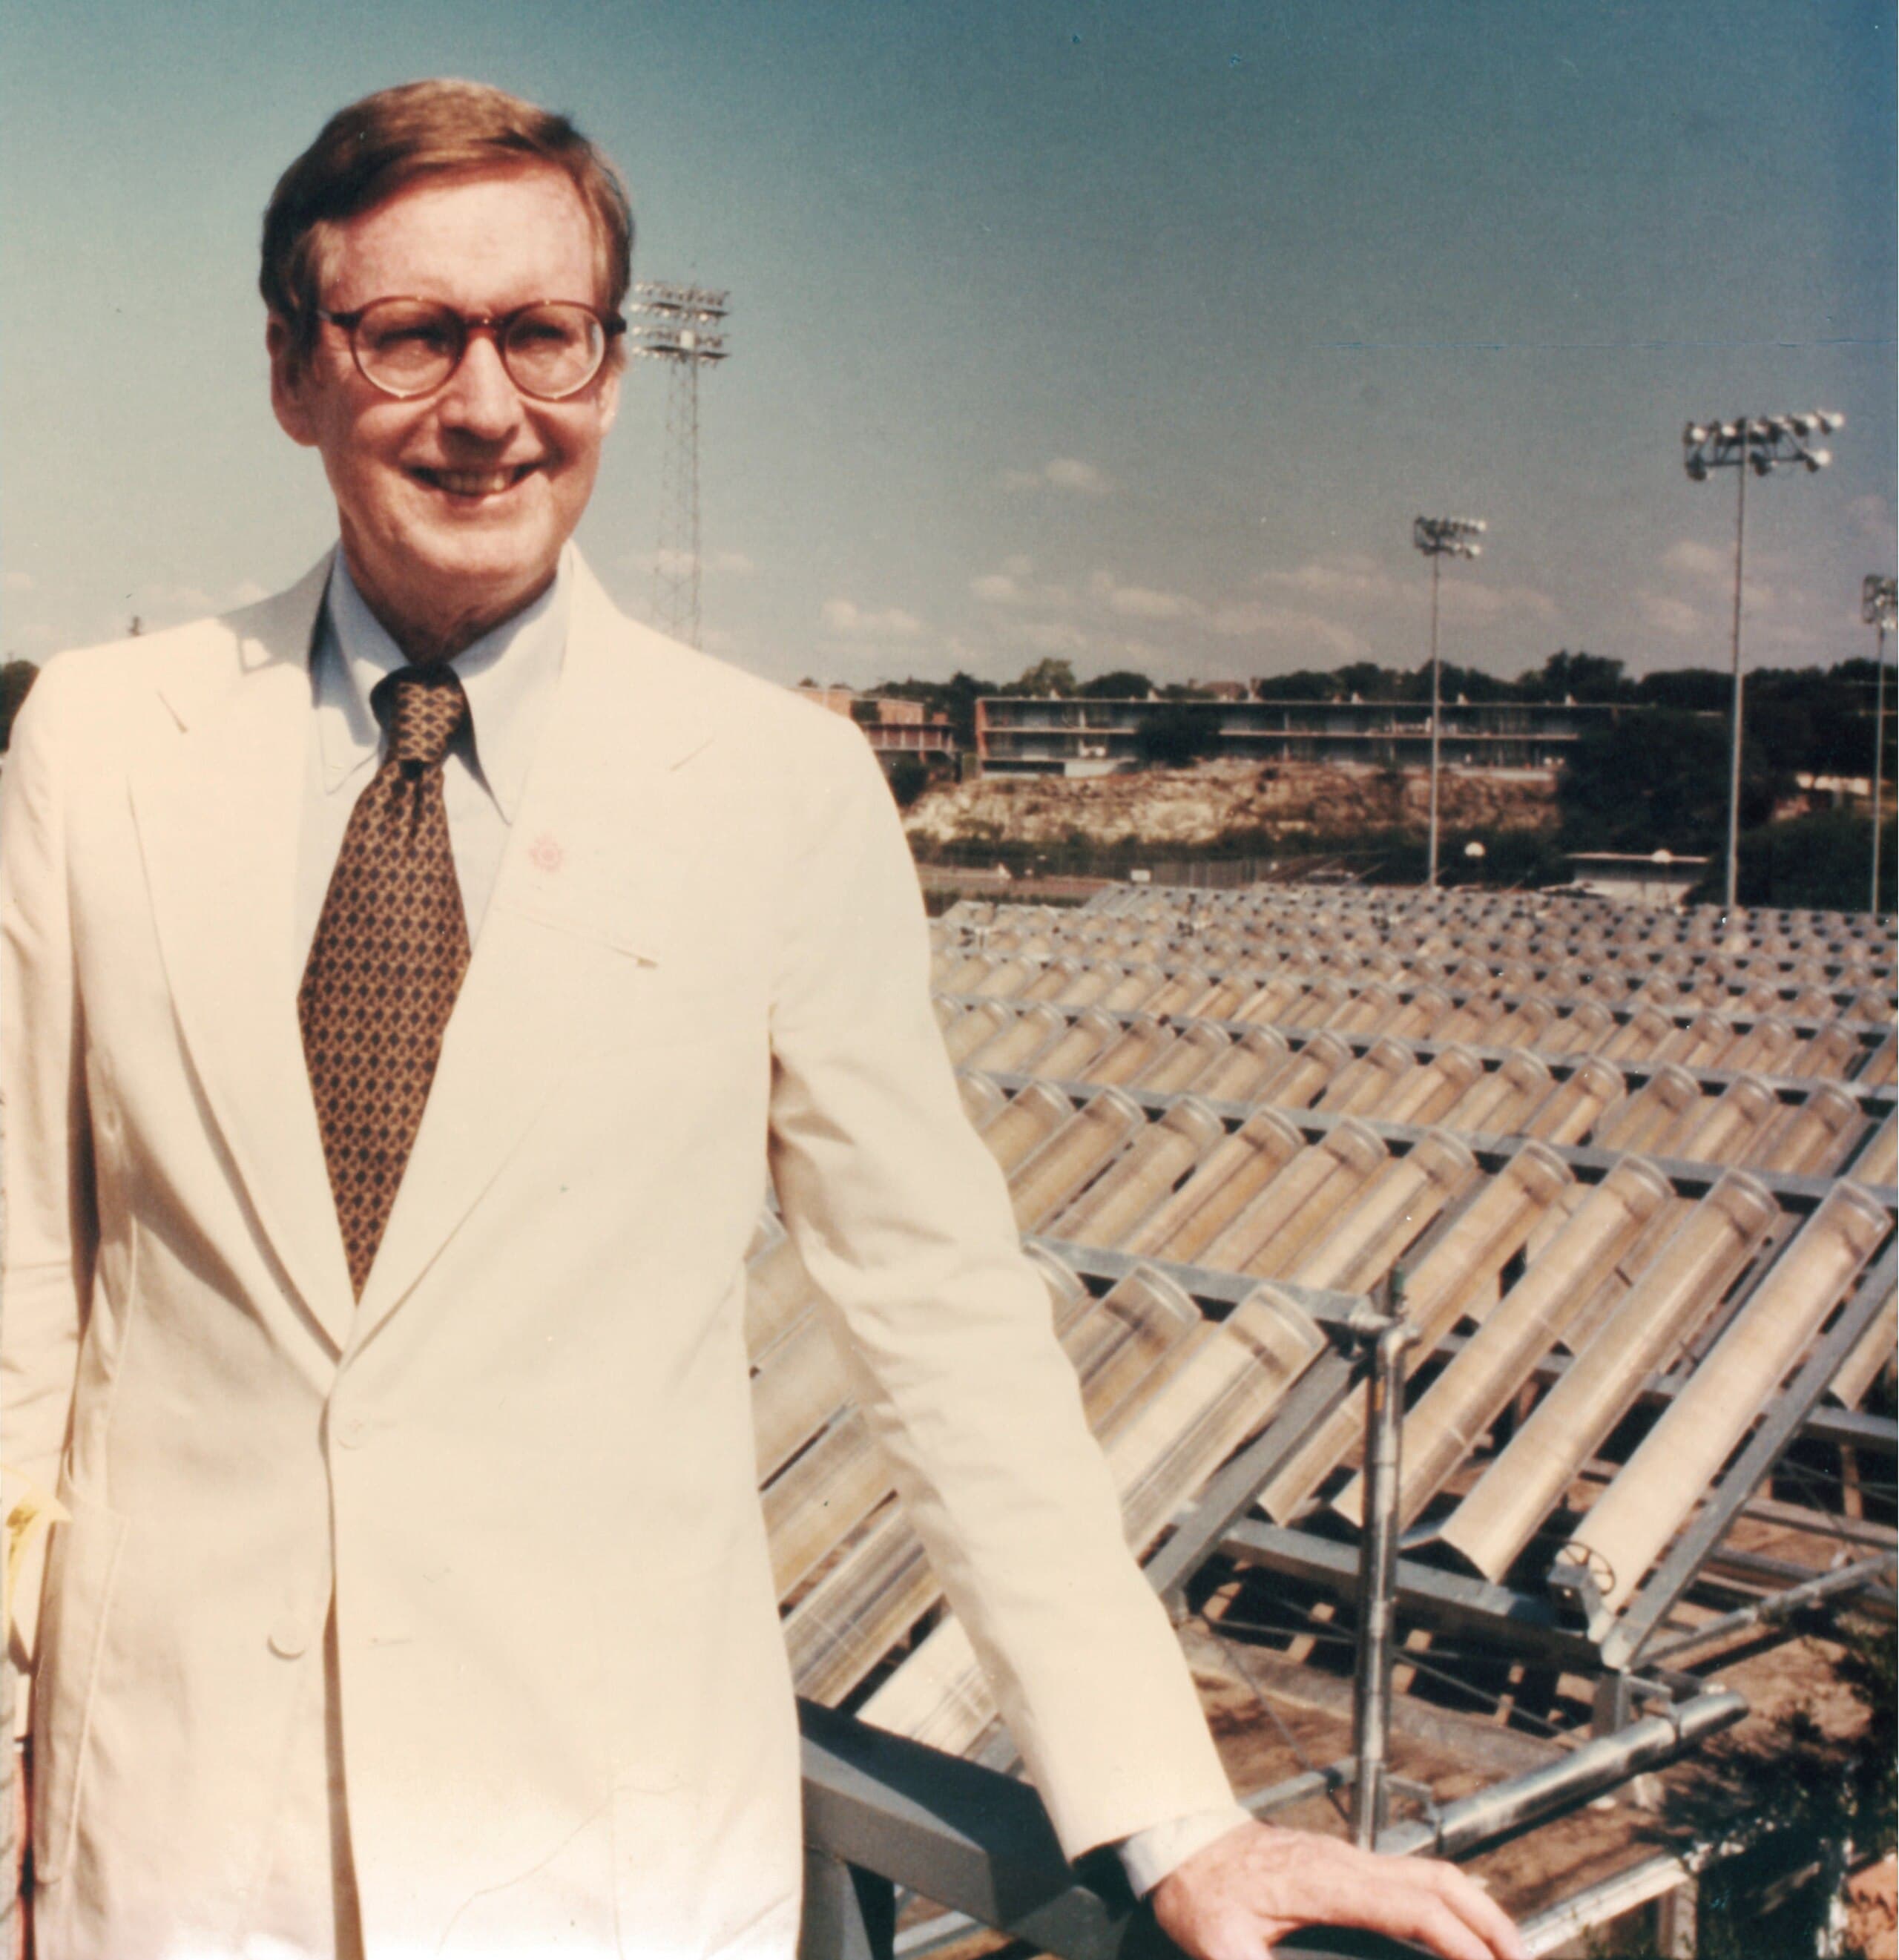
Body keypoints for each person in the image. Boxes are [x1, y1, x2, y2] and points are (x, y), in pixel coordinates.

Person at [0, 79, 1524, 1960]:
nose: (486, 407)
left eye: (541, 333)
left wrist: (1172, 1813)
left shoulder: (779, 790)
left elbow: (939, 1321)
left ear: (614, 369)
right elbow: (28, 1288)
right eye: (409, 336)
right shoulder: (98, 740)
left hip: (605, 1867)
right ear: (294, 372)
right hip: (167, 1851)